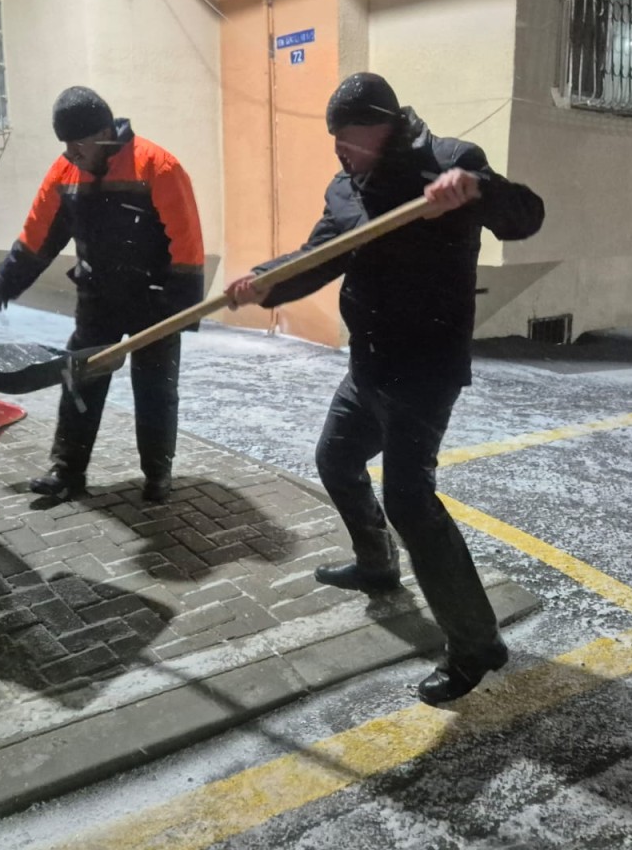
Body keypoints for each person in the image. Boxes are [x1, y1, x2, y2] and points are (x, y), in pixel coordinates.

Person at [225, 73, 544, 705]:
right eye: (335, 140)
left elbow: (525, 216)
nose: (341, 151)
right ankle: (377, 564)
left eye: (350, 138)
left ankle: (477, 643)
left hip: (425, 371)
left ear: (384, 124)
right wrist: (264, 281)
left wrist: (478, 192)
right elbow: (318, 257)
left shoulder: (450, 164)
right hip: (367, 365)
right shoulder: (347, 190)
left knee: (411, 500)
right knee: (336, 458)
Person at [0, 87, 205, 504]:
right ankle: (67, 470)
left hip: (153, 301)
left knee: (156, 388)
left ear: (105, 133)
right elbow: (39, 233)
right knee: (81, 381)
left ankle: (158, 472)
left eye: (78, 143)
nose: (71, 153)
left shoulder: (157, 166)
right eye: (66, 144)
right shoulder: (65, 173)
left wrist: (180, 311)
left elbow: (187, 242)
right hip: (98, 298)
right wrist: (7, 280)